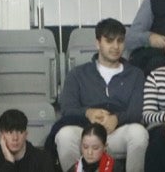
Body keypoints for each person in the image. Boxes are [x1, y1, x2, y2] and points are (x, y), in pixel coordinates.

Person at [54, 19, 147, 172]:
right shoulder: (78, 74)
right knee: (65, 135)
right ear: (98, 43)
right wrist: (88, 113)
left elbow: (137, 111)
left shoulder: (135, 74)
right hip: (86, 132)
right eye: (109, 41)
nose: (116, 46)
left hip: (118, 133)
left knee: (139, 133)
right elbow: (67, 109)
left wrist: (116, 118)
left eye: (120, 41)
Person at [0, 108, 57, 172]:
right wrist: (9, 163)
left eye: (20, 132)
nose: (15, 138)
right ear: (1, 135)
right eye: (10, 132)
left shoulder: (43, 159)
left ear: (26, 134)